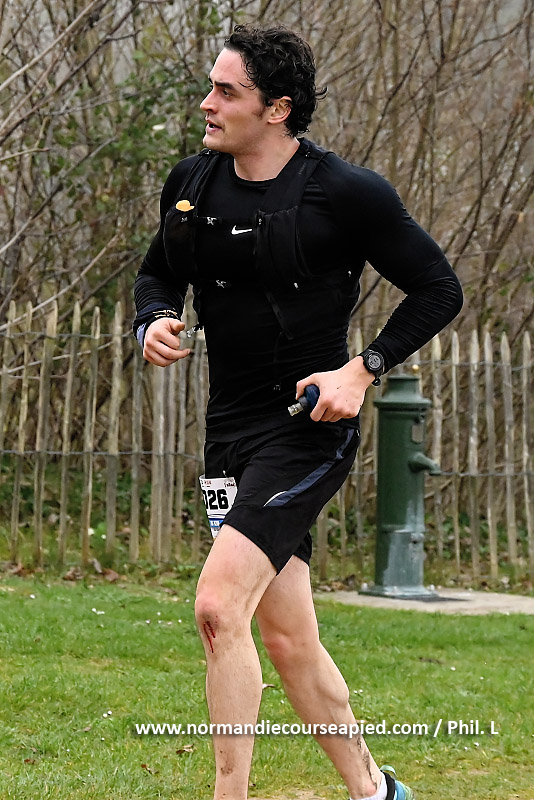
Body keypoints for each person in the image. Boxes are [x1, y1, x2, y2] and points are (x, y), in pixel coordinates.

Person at [133, 23, 462, 800]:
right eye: (211, 86)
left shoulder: (345, 192)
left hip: (307, 428)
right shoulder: (191, 181)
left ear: (277, 108)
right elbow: (156, 273)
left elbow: (438, 288)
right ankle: (378, 792)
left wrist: (362, 370)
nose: (207, 102)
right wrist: (153, 318)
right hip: (227, 434)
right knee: (287, 639)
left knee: (218, 608)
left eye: (227, 91)